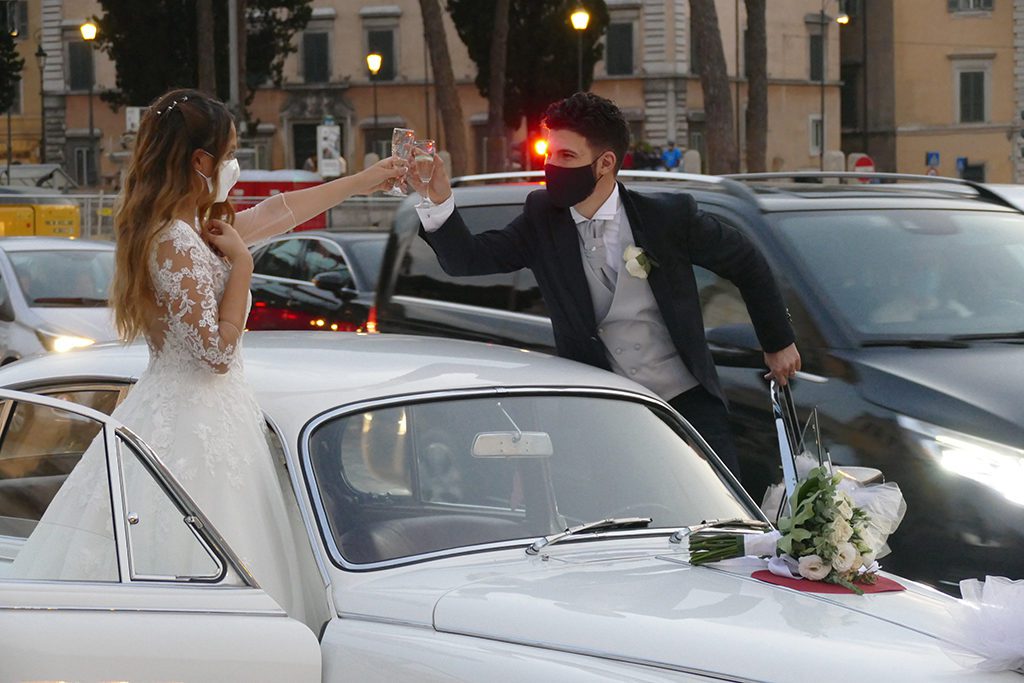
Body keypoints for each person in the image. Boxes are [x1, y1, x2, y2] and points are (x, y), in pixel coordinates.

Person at [8, 89, 404, 617]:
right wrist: (242, 267)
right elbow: (213, 353)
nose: (236, 165)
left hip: (214, 416)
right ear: (200, 161)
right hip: (189, 422)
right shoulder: (173, 239)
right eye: (231, 152)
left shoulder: (195, 229)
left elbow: (281, 213)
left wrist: (372, 178)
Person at [407, 92, 800, 478]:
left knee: (718, 525)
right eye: (549, 154)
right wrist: (437, 200)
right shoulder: (541, 219)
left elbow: (745, 260)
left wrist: (777, 341)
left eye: (567, 157)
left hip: (687, 406)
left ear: (605, 163)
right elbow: (468, 260)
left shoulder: (667, 218)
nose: (551, 166)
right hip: (599, 414)